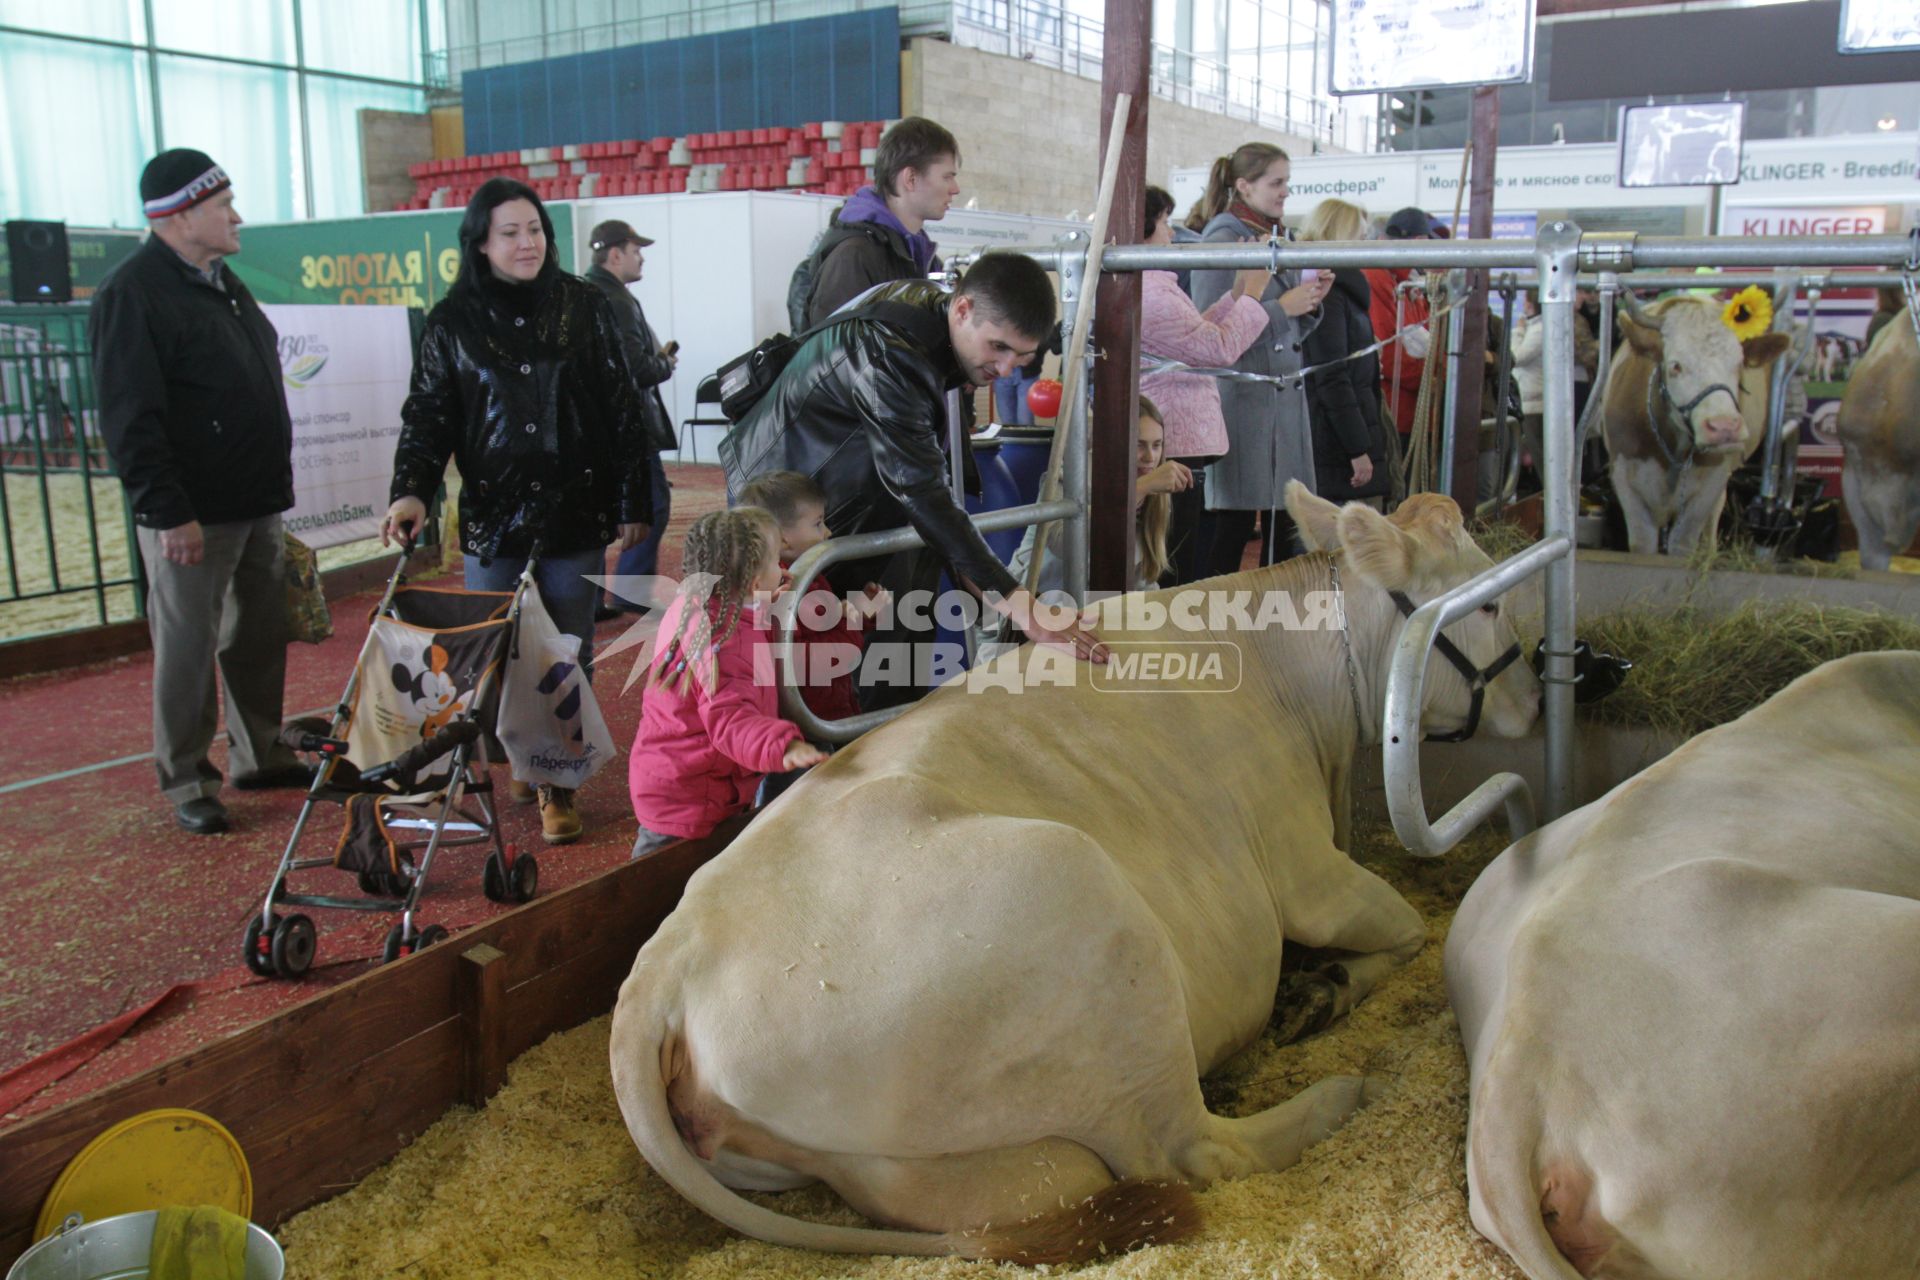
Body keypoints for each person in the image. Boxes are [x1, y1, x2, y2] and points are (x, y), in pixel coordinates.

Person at [382, 177, 655, 846]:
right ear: (480, 243)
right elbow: (429, 414)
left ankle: (558, 781)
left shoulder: (586, 308)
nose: (527, 242)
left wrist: (633, 500)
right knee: (496, 654)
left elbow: (622, 410)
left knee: (565, 651)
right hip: (493, 516)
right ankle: (523, 759)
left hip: (574, 512)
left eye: (534, 229)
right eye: (510, 232)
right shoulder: (452, 322)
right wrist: (412, 487)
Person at [726, 251, 1108, 707]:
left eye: (1022, 356)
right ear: (963, 310)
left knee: (880, 664)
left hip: (840, 505)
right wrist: (1019, 603)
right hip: (788, 518)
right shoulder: (889, 355)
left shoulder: (931, 315)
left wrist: (995, 591)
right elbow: (922, 490)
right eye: (998, 347)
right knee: (801, 694)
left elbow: (920, 484)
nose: (1006, 370)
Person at [90, 148, 308, 835]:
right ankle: (186, 775)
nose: (236, 216)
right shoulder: (133, 293)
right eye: (223, 206)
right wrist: (166, 510)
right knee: (187, 648)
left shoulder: (221, 279)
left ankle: (258, 752)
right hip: (192, 514)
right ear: (181, 216)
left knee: (256, 634)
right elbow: (130, 415)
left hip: (253, 500)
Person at [627, 508, 829, 860]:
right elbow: (730, 718)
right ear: (752, 582)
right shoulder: (724, 646)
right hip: (691, 801)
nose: (783, 569)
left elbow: (747, 620)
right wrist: (785, 747)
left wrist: (765, 598)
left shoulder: (704, 604)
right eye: (774, 562)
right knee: (657, 890)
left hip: (678, 779)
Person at [1189, 143, 1331, 576]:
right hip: (1244, 406)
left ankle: (1269, 627)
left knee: (1283, 524)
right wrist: (1283, 308)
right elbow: (1210, 332)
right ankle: (1219, 628)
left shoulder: (1276, 236)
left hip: (1275, 404)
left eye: (1287, 182)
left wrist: (1309, 304)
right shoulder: (1222, 241)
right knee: (1231, 531)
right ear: (1244, 186)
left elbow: (1285, 335)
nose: (1286, 191)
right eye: (1277, 182)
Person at [1137, 184, 1270, 582]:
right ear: (1142, 228)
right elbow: (1218, 348)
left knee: (1182, 550)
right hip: (1174, 436)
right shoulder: (1151, 292)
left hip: (1177, 434)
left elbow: (1198, 335)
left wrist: (1238, 292)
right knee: (1175, 557)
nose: (1172, 234)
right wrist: (1257, 292)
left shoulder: (1155, 285)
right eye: (1164, 223)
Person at [736, 470, 889, 725]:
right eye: (818, 523)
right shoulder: (781, 591)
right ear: (783, 541)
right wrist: (853, 619)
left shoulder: (805, 576)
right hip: (808, 720)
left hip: (826, 706)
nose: (828, 532)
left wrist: (862, 616)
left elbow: (823, 631)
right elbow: (811, 661)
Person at [584, 219, 679, 619]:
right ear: (615, 254)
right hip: (628, 426)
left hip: (593, 426)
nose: (641, 258)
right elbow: (635, 370)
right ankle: (630, 591)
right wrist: (665, 362)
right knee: (652, 506)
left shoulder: (586, 294)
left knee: (590, 515)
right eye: (636, 250)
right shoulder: (618, 301)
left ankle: (588, 599)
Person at [799, 117, 960, 326]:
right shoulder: (854, 257)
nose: (955, 188)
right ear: (910, 178)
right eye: (947, 177)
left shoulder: (924, 258)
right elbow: (837, 354)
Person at [1299, 199, 1391, 507]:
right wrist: (1357, 448)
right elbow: (1331, 375)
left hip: (1341, 433)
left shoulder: (1340, 294)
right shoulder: (1332, 295)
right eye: (1359, 236)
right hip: (1335, 443)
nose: (1363, 245)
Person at [1364, 206, 1438, 442]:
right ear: (1419, 240)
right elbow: (1386, 349)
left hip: (1411, 410)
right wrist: (1431, 379)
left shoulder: (1407, 284)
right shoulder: (1379, 278)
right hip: (1398, 411)